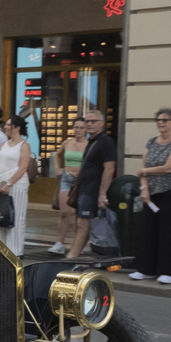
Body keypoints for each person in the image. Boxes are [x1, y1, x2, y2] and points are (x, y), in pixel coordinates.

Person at [131, 108, 171, 284]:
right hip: (151, 191)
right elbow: (143, 168)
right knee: (148, 230)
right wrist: (144, 189)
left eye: (165, 120)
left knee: (166, 230)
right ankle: (146, 269)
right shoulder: (151, 142)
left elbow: (170, 167)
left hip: (169, 191)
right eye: (158, 120)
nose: (160, 123)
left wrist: (146, 171)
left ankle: (167, 272)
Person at [68, 110, 116, 258]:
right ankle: (75, 254)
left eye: (93, 121)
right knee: (80, 223)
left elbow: (109, 169)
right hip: (83, 189)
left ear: (101, 123)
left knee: (83, 223)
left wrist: (102, 194)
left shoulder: (106, 142)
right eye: (87, 121)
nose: (89, 124)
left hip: (92, 190)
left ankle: (71, 257)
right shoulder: (91, 141)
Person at [48, 117, 88, 255]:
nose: (78, 130)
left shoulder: (89, 144)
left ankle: (78, 244)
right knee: (64, 212)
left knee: (79, 216)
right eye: (76, 127)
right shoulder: (67, 143)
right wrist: (57, 169)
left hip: (81, 180)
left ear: (86, 129)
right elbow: (56, 155)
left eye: (81, 128)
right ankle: (59, 243)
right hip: (66, 178)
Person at [0, 115, 32, 256]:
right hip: (1, 185)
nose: (6, 127)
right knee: (0, 216)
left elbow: (23, 168)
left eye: (9, 125)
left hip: (17, 185)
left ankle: (15, 252)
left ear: (17, 128)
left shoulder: (24, 145)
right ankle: (2, 249)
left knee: (16, 217)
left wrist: (9, 183)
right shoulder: (3, 145)